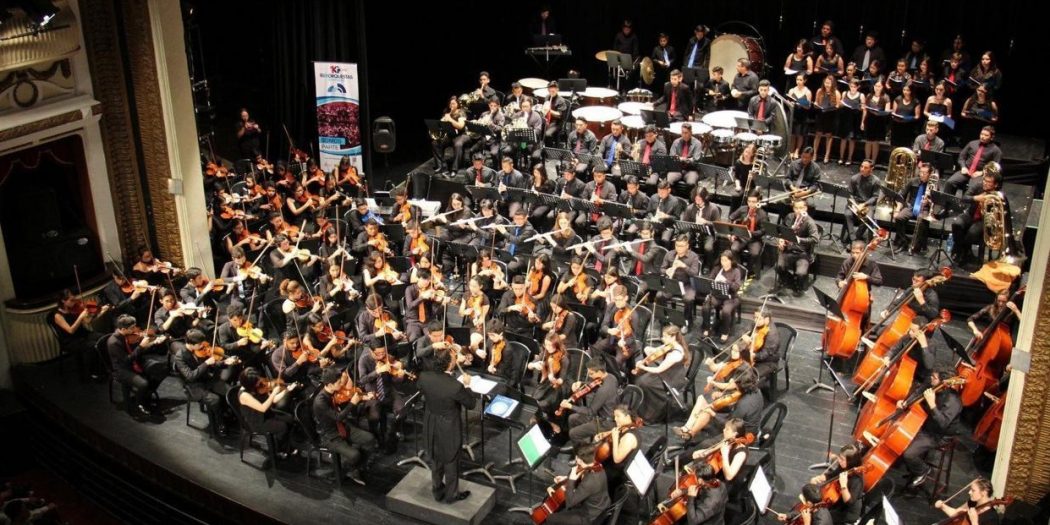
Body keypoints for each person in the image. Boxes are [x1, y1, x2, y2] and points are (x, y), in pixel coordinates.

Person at [416, 349, 476, 502]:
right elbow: (471, 404)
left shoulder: (424, 376)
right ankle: (451, 495)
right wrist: (467, 386)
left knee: (435, 458)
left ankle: (437, 490)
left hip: (431, 422)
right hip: (449, 426)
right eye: (454, 358)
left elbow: (422, 390)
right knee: (451, 460)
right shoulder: (455, 386)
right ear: (450, 364)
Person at [313, 367, 376, 486]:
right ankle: (348, 470)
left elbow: (345, 399)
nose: (341, 384)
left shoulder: (334, 392)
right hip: (330, 436)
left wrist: (363, 397)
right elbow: (338, 417)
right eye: (338, 383)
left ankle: (357, 467)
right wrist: (353, 403)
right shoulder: (320, 401)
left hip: (342, 427)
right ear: (330, 385)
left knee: (370, 439)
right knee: (355, 455)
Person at [901, 369, 963, 488]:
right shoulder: (933, 386)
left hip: (938, 435)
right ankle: (913, 468)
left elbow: (942, 424)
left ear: (943, 382)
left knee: (908, 453)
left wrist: (932, 404)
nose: (931, 379)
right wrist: (906, 402)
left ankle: (923, 470)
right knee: (901, 441)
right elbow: (918, 392)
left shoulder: (954, 402)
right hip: (925, 424)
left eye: (934, 378)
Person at [175, 329, 238, 436]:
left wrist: (224, 362)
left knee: (229, 391)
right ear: (192, 344)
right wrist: (206, 364)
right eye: (200, 344)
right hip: (194, 386)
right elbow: (190, 376)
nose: (202, 346)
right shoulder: (180, 356)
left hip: (207, 379)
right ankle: (220, 423)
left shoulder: (199, 350)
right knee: (215, 399)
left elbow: (212, 364)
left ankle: (228, 413)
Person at [107, 314, 167, 419]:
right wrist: (141, 346)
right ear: (123, 329)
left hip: (135, 362)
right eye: (132, 328)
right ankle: (140, 404)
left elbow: (137, 352)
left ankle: (146, 394)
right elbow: (127, 360)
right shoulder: (114, 342)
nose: (135, 329)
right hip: (122, 369)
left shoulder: (128, 336)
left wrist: (153, 343)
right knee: (143, 384)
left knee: (162, 369)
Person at [238, 367, 299, 460]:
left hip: (267, 414)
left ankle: (286, 446)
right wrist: (273, 393)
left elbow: (273, 400)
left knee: (290, 418)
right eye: (257, 381)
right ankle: (277, 450)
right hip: (256, 421)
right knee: (282, 427)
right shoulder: (244, 395)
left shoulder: (258, 386)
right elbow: (262, 408)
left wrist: (287, 390)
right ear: (250, 384)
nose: (260, 381)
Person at [950, 170, 1010, 265]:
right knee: (956, 224)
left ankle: (961, 251)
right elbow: (964, 198)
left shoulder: (999, 196)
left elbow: (1001, 216)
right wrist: (976, 198)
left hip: (984, 220)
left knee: (972, 233)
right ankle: (962, 250)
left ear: (996, 185)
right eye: (984, 180)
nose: (985, 183)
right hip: (970, 214)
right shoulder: (978, 186)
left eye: (989, 182)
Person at [53, 289, 111, 381]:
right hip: (71, 340)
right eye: (71, 300)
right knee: (92, 346)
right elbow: (71, 331)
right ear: (63, 301)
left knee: (103, 338)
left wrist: (96, 313)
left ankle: (105, 366)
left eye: (74, 298)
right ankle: (93, 372)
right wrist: (80, 317)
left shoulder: (75, 308)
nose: (74, 302)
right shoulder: (58, 315)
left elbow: (87, 321)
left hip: (83, 333)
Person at [545, 444, 611, 525]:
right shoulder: (598, 466)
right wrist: (566, 478)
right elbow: (583, 479)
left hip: (589, 516)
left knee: (550, 518)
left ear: (579, 459)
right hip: (600, 506)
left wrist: (571, 480)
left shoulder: (590, 481)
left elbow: (569, 503)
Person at [634, 325, 689, 422]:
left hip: (673, 379)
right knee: (642, 380)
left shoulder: (676, 353)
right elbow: (653, 351)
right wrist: (649, 350)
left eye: (665, 336)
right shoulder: (669, 346)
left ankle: (651, 414)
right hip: (667, 372)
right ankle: (642, 409)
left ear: (673, 337)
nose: (663, 339)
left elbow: (659, 369)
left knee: (645, 383)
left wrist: (643, 367)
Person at [563, 359, 620, 445]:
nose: (589, 376)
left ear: (600, 372)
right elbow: (596, 384)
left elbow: (590, 411)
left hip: (605, 422)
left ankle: (585, 449)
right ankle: (579, 442)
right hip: (605, 413)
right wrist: (581, 383)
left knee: (573, 433)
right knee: (572, 418)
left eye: (591, 374)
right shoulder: (611, 377)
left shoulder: (603, 390)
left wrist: (570, 406)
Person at [808, 443, 865, 524]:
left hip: (846, 512)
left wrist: (844, 486)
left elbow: (849, 502)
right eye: (839, 457)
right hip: (838, 501)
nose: (839, 460)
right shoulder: (843, 467)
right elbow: (832, 475)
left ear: (850, 461)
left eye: (842, 459)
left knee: (819, 517)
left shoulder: (857, 479)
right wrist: (819, 478)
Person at [775, 199, 819, 295]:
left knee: (801, 273)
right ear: (793, 208)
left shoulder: (809, 222)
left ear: (806, 208)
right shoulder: (789, 217)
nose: (798, 210)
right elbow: (782, 230)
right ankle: (789, 281)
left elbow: (815, 239)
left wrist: (800, 240)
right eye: (796, 208)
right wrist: (781, 239)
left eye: (801, 208)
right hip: (788, 250)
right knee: (778, 266)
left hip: (802, 253)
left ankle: (797, 284)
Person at [945, 125, 1002, 196]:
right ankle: (947, 202)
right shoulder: (972, 143)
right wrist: (963, 167)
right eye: (982, 134)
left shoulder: (996, 150)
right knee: (950, 182)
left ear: (992, 137)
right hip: (966, 171)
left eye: (986, 135)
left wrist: (982, 173)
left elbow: (995, 168)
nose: (982, 136)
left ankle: (965, 203)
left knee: (972, 190)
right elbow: (961, 157)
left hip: (980, 175)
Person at [700, 251, 744, 341]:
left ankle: (725, 332)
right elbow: (709, 281)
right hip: (718, 295)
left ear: (731, 261)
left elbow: (736, 287)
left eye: (726, 260)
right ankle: (706, 328)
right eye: (722, 260)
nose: (723, 263)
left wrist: (726, 281)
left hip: (731, 297)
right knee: (706, 307)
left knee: (726, 311)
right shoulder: (717, 269)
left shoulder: (736, 271)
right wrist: (714, 281)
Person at [661, 235, 701, 331]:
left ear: (687, 246)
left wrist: (684, 266)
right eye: (677, 245)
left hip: (688, 284)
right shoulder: (669, 254)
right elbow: (662, 268)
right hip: (673, 283)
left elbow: (694, 274)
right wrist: (666, 271)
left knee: (689, 299)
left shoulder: (694, 257)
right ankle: (666, 319)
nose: (679, 248)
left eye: (682, 246)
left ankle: (686, 322)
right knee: (660, 295)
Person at [893, 162, 936, 253]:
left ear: (929, 174)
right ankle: (904, 241)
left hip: (924, 209)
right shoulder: (913, 181)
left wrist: (928, 201)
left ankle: (916, 246)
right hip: (911, 206)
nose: (921, 175)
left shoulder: (933, 184)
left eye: (924, 173)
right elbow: (900, 195)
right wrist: (897, 210)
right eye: (920, 172)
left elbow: (936, 201)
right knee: (899, 218)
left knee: (922, 223)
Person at [728, 190, 768, 275]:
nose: (751, 204)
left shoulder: (763, 214)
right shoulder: (743, 209)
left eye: (753, 202)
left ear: (758, 202)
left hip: (755, 239)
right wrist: (731, 233)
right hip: (742, 237)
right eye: (749, 201)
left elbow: (763, 231)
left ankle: (749, 269)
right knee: (734, 248)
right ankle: (739, 269)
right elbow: (731, 218)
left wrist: (751, 233)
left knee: (755, 253)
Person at [934, 478, 1002, 525]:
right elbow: (954, 514)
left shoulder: (992, 517)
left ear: (984, 492)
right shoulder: (972, 502)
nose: (969, 492)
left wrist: (974, 522)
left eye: (973, 490)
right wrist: (942, 506)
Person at [844, 160, 879, 243]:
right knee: (848, 214)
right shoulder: (854, 178)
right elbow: (850, 194)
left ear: (871, 169)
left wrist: (864, 204)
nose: (862, 169)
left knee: (867, 218)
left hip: (868, 205)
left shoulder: (876, 181)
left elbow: (875, 197)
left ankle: (856, 236)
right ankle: (853, 239)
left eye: (866, 167)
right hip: (855, 203)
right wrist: (854, 204)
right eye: (861, 166)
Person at [860, 80, 891, 162]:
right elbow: (865, 110)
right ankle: (867, 160)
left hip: (879, 121)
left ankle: (873, 161)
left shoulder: (885, 97)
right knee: (868, 141)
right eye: (876, 86)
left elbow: (887, 111)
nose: (877, 88)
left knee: (875, 142)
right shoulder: (869, 95)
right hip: (869, 119)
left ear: (882, 87)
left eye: (879, 86)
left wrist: (882, 112)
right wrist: (862, 122)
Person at [837, 78, 865, 165]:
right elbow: (840, 105)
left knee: (852, 139)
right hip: (845, 118)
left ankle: (849, 158)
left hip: (855, 119)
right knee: (843, 139)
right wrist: (841, 104)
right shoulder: (845, 93)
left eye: (854, 87)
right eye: (851, 86)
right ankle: (841, 157)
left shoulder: (861, 95)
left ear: (858, 87)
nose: (852, 88)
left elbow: (863, 109)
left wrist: (859, 108)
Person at [812, 75, 840, 163]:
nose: (827, 85)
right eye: (826, 83)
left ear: (832, 83)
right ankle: (814, 154)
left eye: (829, 83)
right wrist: (816, 105)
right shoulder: (820, 91)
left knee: (829, 136)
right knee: (818, 134)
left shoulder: (836, 92)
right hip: (821, 114)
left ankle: (827, 155)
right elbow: (816, 102)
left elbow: (838, 105)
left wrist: (833, 107)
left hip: (830, 115)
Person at [787, 72, 812, 159]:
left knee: (800, 134)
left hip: (802, 115)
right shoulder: (792, 90)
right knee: (793, 134)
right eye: (797, 79)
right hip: (793, 114)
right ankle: (791, 150)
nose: (798, 81)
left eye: (800, 80)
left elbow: (808, 106)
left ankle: (797, 151)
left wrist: (801, 104)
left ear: (805, 81)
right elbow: (788, 102)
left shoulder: (807, 92)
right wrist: (791, 103)